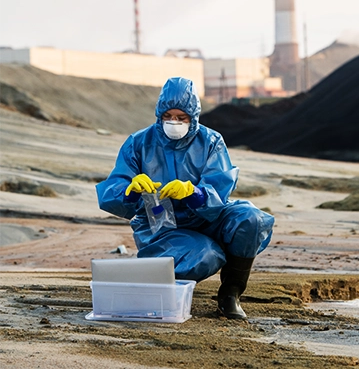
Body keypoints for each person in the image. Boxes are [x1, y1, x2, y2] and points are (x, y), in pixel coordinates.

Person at [96, 76, 274, 320]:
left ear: (194, 116)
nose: (174, 123)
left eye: (182, 118)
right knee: (206, 255)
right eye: (168, 116)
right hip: (163, 224)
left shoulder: (211, 142)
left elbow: (220, 187)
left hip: (208, 216)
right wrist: (129, 190)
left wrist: (195, 193)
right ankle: (155, 284)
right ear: (159, 114)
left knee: (250, 219)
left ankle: (230, 295)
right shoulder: (139, 143)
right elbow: (111, 191)